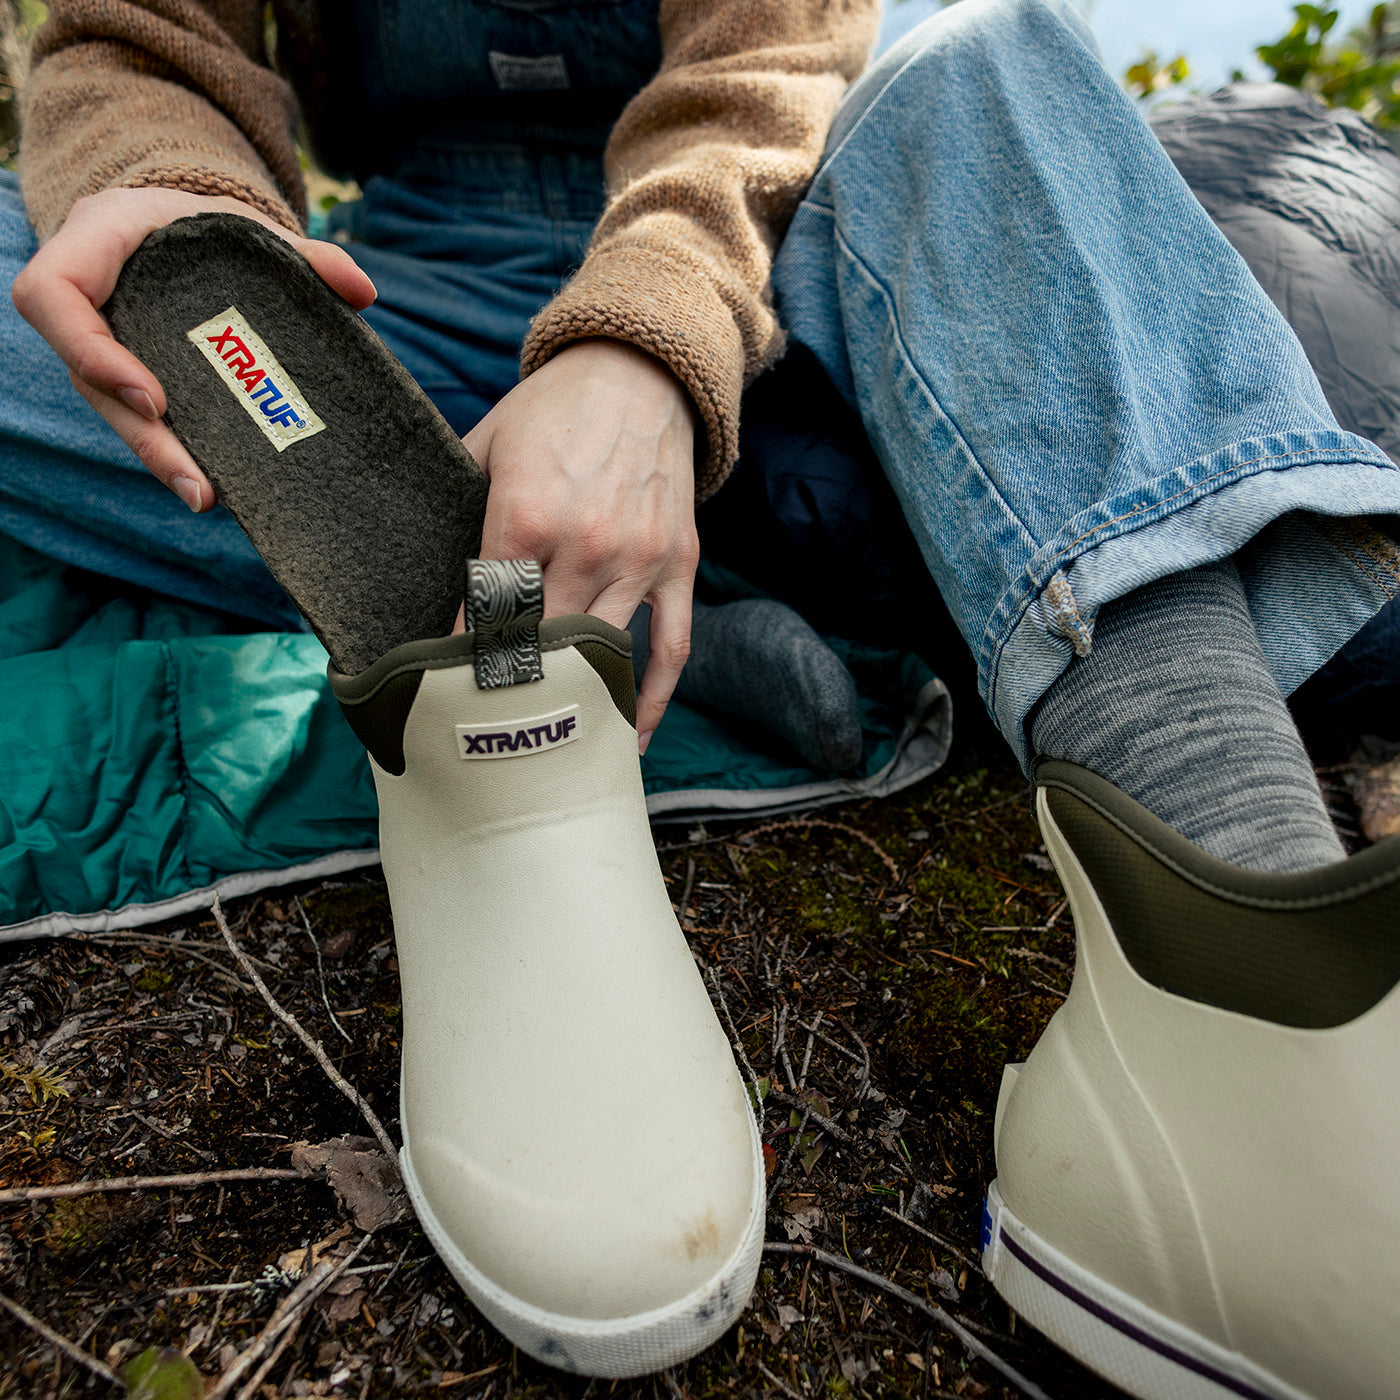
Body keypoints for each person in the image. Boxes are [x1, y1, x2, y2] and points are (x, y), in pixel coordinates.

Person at [5, 0, 1399, 1394]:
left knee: (979, 49)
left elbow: (780, 58)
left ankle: (1245, 981)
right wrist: (163, 199)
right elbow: (135, 39)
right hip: (395, 339)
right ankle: (590, 627)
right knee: (100, 323)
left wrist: (648, 338)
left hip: (773, 289)